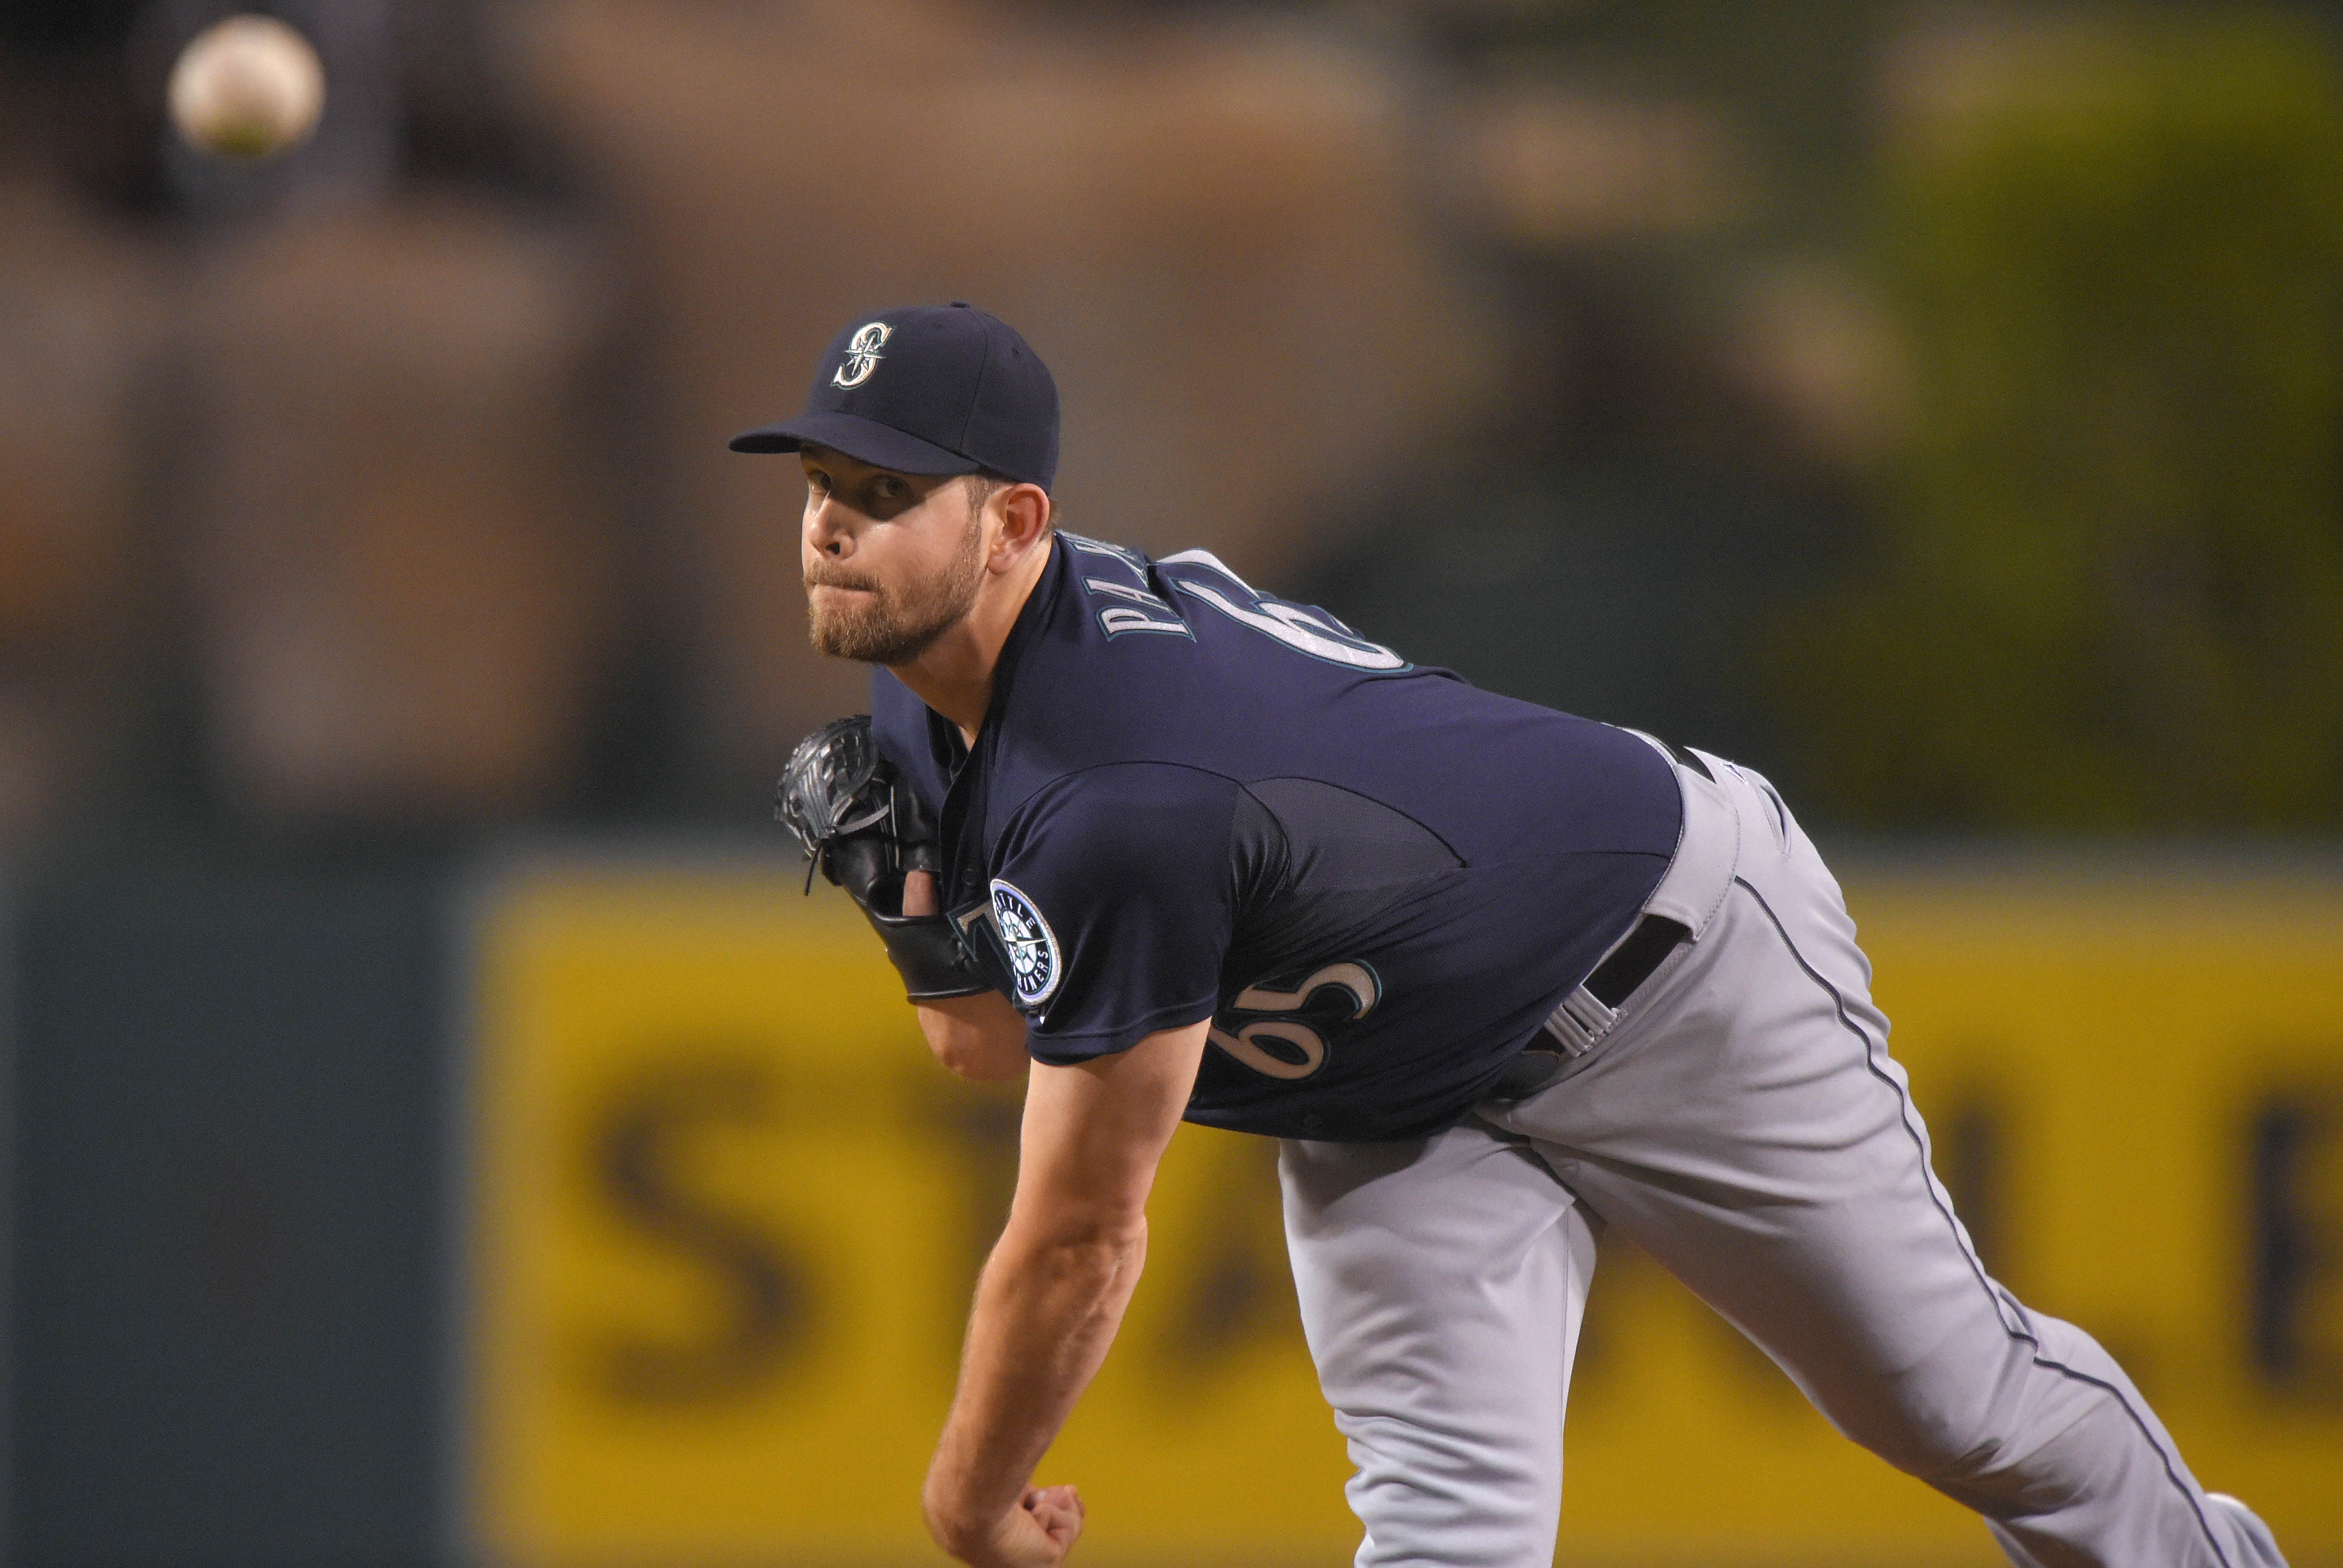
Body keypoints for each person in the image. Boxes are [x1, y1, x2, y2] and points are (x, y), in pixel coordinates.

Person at [732, 303, 2288, 1568]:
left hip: (1666, 961)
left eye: (885, 493)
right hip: (1400, 1087)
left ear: (1013, 521)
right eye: (820, 483)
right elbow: (986, 1039)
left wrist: (967, 1495)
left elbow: (1081, 1234)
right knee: (1441, 1533)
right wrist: (904, 899)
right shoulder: (927, 671)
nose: (831, 529)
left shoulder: (1123, 790)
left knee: (1965, 1408)